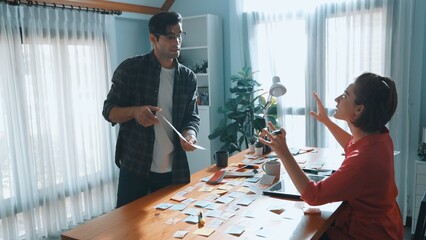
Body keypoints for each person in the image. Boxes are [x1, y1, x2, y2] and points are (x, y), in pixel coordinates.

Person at [260, 72, 403, 239]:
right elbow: (352, 145)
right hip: (386, 227)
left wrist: (284, 153)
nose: (337, 99)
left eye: (345, 95)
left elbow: (313, 195)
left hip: (368, 234)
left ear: (359, 109)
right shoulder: (380, 138)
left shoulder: (363, 161)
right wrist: (326, 121)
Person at [102, 11, 200, 208]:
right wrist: (134, 112)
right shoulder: (130, 69)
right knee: (128, 228)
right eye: (171, 36)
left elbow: (192, 117)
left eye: (180, 35)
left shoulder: (188, 78)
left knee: (171, 229)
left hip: (175, 170)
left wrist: (190, 135)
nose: (177, 41)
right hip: (136, 168)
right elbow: (109, 111)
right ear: (153, 39)